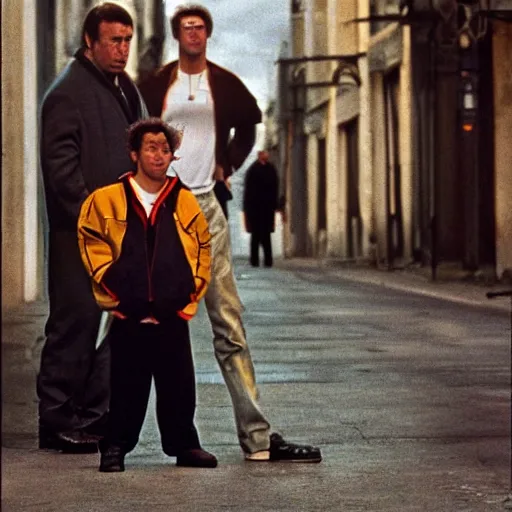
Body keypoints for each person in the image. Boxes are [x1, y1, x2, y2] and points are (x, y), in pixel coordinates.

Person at [138, 4, 322, 463]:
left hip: (205, 206)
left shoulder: (222, 82)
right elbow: (136, 132)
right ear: (177, 35)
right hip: (162, 206)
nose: (193, 34)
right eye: (186, 28)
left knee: (228, 321)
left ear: (208, 34)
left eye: (200, 27)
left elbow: (253, 118)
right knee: (141, 313)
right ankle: (111, 427)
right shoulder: (159, 83)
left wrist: (229, 163)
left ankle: (257, 438)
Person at [38, 2, 148, 453]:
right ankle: (57, 418)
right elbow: (61, 166)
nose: (122, 49)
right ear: (90, 41)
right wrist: (92, 219)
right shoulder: (67, 91)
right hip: (79, 233)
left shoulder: (125, 88)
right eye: (113, 41)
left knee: (126, 320)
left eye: (127, 40)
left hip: (123, 229)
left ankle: (92, 410)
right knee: (75, 320)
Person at [78, 118, 217, 472]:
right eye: (151, 148)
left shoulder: (184, 202)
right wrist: (121, 301)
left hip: (172, 314)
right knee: (125, 384)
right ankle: (115, 448)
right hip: (129, 313)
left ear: (173, 157)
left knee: (179, 384)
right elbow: (92, 246)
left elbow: (202, 250)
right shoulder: (106, 200)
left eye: (165, 149)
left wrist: (186, 299)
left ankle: (185, 444)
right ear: (134, 153)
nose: (159, 155)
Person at [243, 150, 280, 267]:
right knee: (255, 236)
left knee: (266, 236)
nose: (266, 156)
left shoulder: (271, 169)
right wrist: (247, 209)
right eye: (264, 154)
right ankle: (254, 261)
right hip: (255, 209)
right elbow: (248, 191)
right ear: (260, 155)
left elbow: (275, 188)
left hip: (267, 208)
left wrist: (275, 205)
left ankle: (268, 261)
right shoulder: (253, 170)